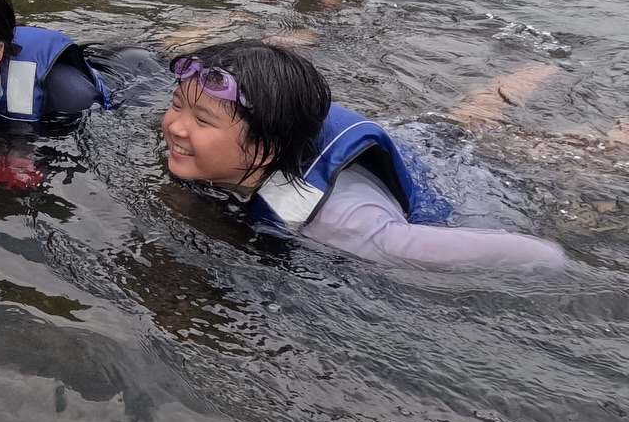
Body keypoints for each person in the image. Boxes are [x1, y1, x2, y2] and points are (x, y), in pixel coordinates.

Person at [159, 39, 565, 267]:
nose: (176, 126)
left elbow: (537, 254)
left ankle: (556, 69)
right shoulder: (226, 148)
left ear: (265, 148)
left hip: (466, 173)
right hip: (415, 136)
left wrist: (551, 258)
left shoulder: (347, 225)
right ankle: (541, 66)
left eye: (202, 120)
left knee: (567, 152)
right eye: (177, 105)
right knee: (460, 118)